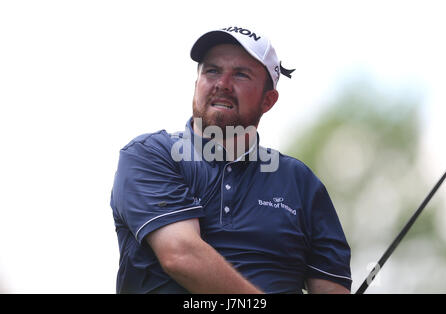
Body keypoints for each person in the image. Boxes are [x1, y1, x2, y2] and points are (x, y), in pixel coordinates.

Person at [110, 26, 352, 294]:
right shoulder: (150, 154)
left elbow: (331, 289)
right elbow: (181, 256)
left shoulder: (301, 182)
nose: (222, 84)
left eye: (240, 74)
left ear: (268, 100)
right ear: (196, 84)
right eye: (212, 71)